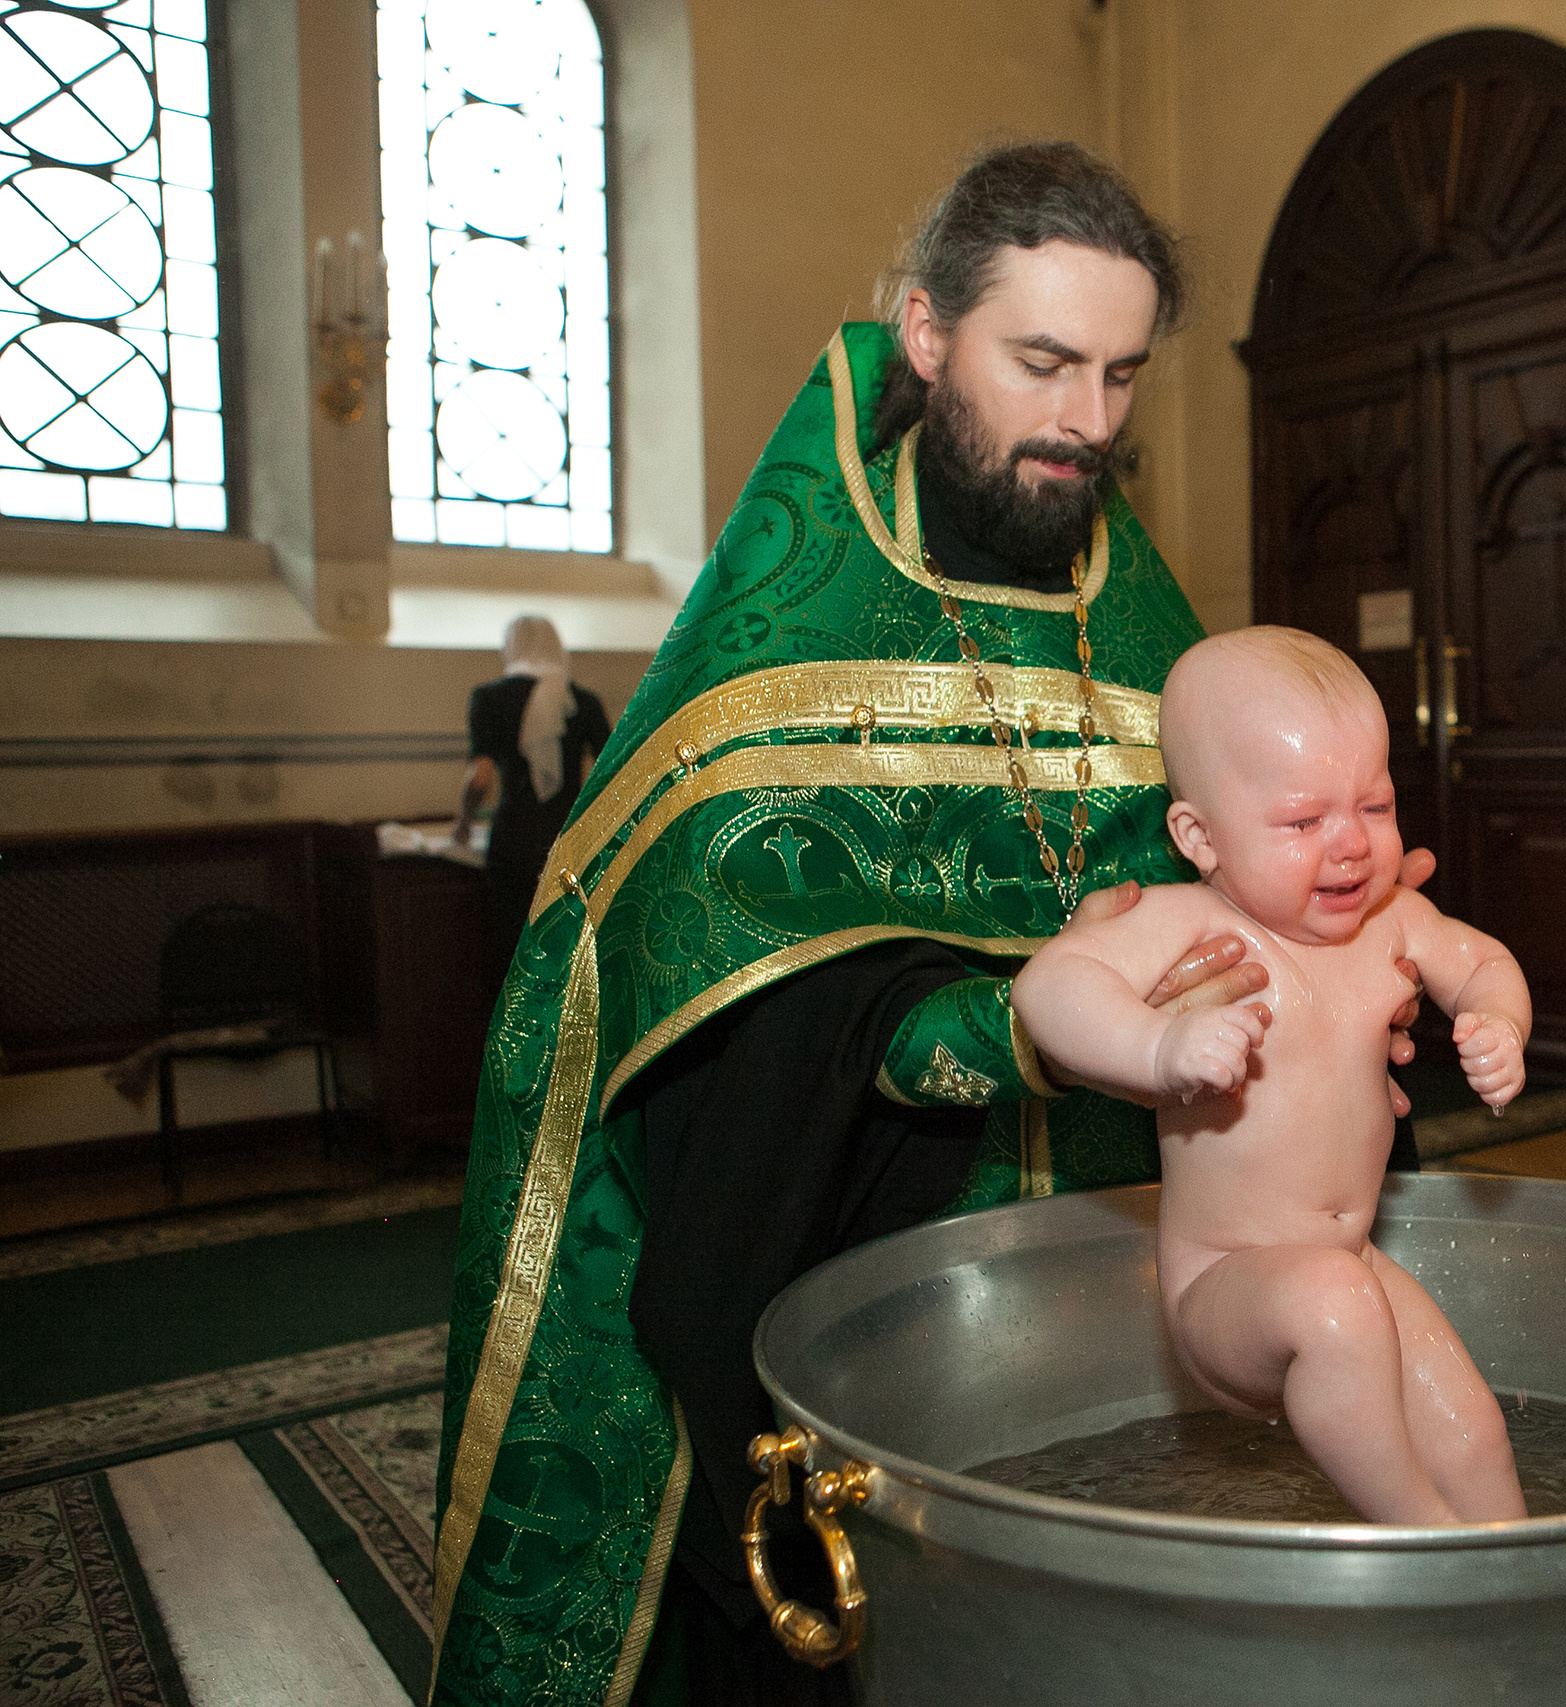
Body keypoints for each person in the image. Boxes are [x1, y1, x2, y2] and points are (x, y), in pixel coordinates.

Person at [427, 144, 1431, 1707]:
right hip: (844, 1245)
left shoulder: (1136, 616)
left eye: (1120, 374)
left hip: (1127, 1262)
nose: (1086, 419)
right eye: (1043, 362)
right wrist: (1005, 1028)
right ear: (925, 330)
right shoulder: (790, 623)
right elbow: (711, 992)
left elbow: (1251, 877)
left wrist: (1339, 982)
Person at [1013, 628, 1530, 1525]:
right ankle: (1429, 1540)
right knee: (1337, 1306)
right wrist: (1157, 1047)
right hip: (1226, 1281)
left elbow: (1482, 960)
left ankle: (1520, 1561)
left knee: (1470, 1426)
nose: (1352, 844)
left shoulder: (1394, 919)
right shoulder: (1188, 923)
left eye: (1374, 805)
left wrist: (1499, 1024)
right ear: (1200, 836)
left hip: (1351, 1259)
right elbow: (1047, 987)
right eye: (1302, 821)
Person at [453, 614, 613, 961]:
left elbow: (480, 778)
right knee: (568, 950)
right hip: (570, 838)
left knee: (513, 946)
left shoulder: (489, 698)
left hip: (513, 838)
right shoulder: (582, 701)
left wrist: (464, 821)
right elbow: (613, 772)